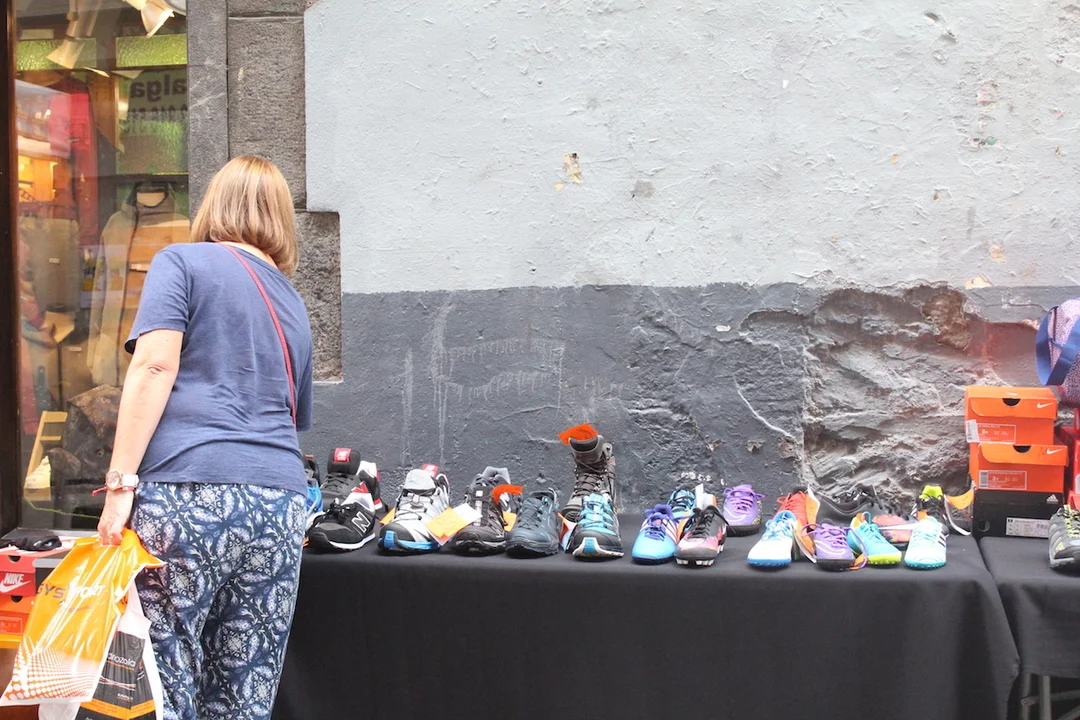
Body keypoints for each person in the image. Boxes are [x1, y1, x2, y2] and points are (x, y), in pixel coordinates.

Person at [97, 156, 315, 720]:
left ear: (215, 203)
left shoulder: (181, 261)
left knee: (163, 678)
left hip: (188, 490)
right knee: (245, 689)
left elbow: (153, 367)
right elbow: (290, 415)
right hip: (278, 501)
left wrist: (120, 484)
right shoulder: (292, 303)